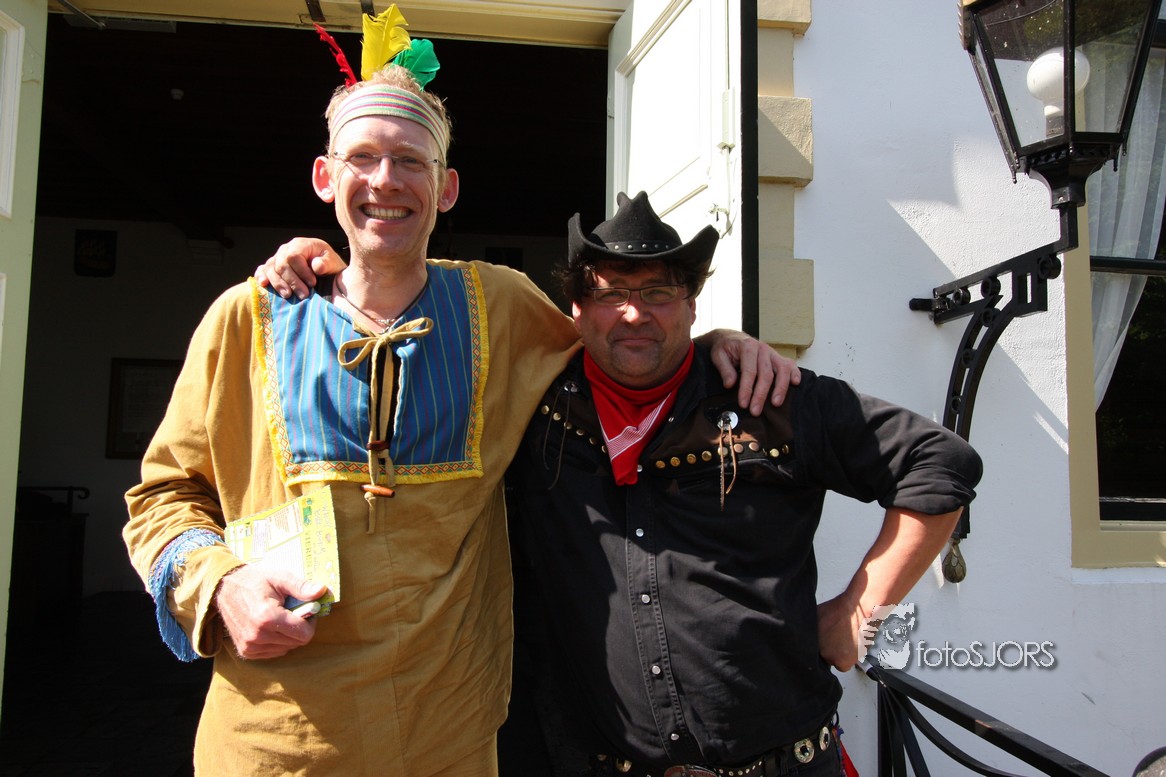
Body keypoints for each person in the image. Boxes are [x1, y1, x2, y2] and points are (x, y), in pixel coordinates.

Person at [124, 11, 796, 776]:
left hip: (449, 741)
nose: (385, 180)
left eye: (410, 161)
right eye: (362, 157)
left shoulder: (500, 307)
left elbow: (623, 355)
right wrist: (220, 584)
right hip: (274, 745)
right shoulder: (246, 318)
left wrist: (711, 342)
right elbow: (162, 496)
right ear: (324, 177)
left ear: (445, 189)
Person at [502, 191, 983, 776]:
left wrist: (860, 611)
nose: (634, 313)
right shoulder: (534, 407)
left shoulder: (767, 398)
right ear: (577, 310)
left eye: (658, 292)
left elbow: (940, 461)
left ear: (691, 305)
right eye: (612, 293)